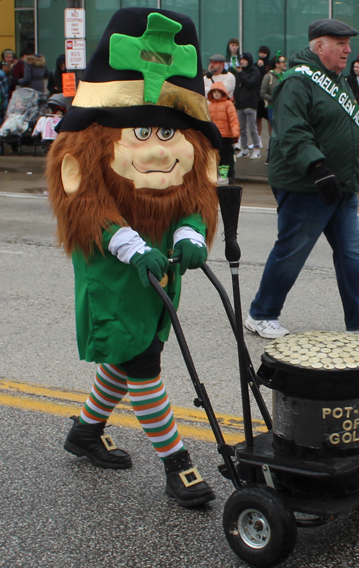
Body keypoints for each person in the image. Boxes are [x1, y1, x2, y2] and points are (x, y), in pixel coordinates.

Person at [46, 7, 220, 508]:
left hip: (158, 269)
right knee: (142, 361)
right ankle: (177, 464)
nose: (157, 147)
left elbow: (195, 201)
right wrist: (130, 244)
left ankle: (85, 431)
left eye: (168, 133)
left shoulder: (190, 155)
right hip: (113, 269)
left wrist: (191, 231)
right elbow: (84, 207)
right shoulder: (83, 149)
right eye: (141, 133)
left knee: (131, 352)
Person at [244, 18, 359, 342]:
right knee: (291, 252)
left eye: (348, 43)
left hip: (340, 185)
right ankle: (261, 314)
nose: (348, 49)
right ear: (319, 46)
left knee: (351, 253)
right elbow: (292, 133)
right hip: (307, 185)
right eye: (340, 43)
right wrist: (317, 168)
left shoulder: (337, 80)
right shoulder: (297, 82)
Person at [207, 81, 240, 184]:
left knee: (225, 157)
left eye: (218, 91)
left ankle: (224, 175)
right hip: (214, 136)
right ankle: (217, 175)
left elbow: (233, 119)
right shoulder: (210, 106)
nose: (216, 94)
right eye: (214, 92)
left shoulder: (228, 104)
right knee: (216, 156)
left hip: (226, 136)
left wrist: (235, 133)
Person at [234, 52, 262, 159]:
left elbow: (250, 83)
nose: (242, 62)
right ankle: (244, 149)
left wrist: (241, 74)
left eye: (244, 60)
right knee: (242, 129)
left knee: (252, 128)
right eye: (241, 60)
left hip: (251, 103)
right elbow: (237, 86)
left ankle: (256, 149)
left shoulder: (255, 72)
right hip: (240, 103)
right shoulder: (240, 72)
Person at [260, 52, 287, 163]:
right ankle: (270, 156)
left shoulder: (286, 75)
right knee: (275, 132)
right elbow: (262, 92)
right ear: (277, 64)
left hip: (284, 108)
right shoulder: (269, 76)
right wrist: (274, 98)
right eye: (282, 62)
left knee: (283, 132)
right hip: (273, 107)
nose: (285, 63)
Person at [256, 45, 271, 143]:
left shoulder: (269, 64)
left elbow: (266, 76)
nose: (262, 55)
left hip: (266, 95)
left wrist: (262, 67)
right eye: (261, 52)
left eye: (264, 53)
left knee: (269, 118)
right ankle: (258, 138)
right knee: (258, 118)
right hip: (257, 95)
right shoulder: (255, 64)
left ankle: (271, 137)